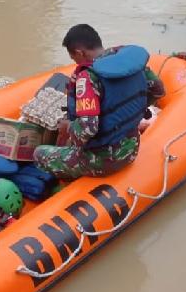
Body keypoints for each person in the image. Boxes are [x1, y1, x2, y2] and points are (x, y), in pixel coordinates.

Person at [33, 24, 164, 179]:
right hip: (131, 148)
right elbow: (159, 90)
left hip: (103, 160)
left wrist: (68, 127)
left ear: (79, 52)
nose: (75, 62)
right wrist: (137, 107)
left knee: (38, 153)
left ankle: (62, 185)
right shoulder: (130, 65)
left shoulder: (89, 78)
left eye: (74, 57)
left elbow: (87, 129)